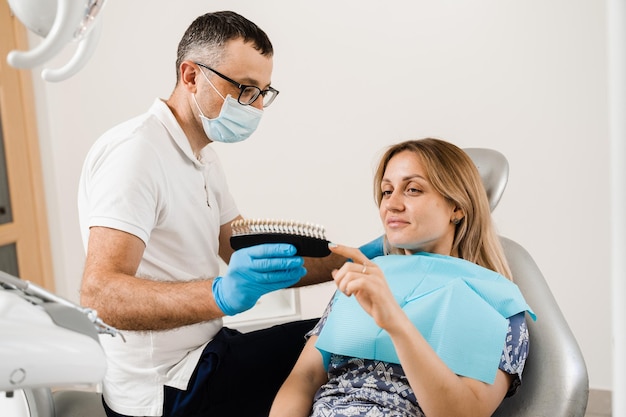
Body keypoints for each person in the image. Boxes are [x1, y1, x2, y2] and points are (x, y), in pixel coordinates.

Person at [77, 11, 351, 417]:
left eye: (263, 92)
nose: (256, 105)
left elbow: (244, 249)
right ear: (191, 77)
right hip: (162, 391)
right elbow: (99, 296)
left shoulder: (201, 156)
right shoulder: (136, 154)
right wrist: (219, 295)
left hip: (204, 354)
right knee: (343, 348)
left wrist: (360, 257)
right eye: (245, 89)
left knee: (341, 334)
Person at [270, 138, 535, 417]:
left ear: (457, 207)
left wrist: (395, 322)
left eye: (413, 189)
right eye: (386, 191)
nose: (392, 204)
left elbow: (464, 412)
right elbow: (305, 379)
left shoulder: (495, 303)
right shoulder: (366, 278)